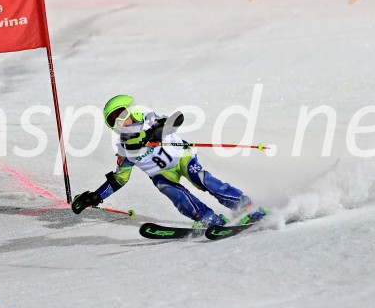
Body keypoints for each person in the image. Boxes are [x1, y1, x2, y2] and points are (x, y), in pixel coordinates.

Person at [71, 94, 267, 227]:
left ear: (132, 110)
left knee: (204, 180)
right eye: (115, 121)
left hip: (182, 158)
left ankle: (247, 207)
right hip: (161, 174)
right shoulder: (124, 148)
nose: (121, 123)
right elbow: (119, 179)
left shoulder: (150, 119)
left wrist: (153, 134)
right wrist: (95, 196)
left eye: (122, 116)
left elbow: (176, 120)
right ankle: (208, 218)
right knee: (177, 195)